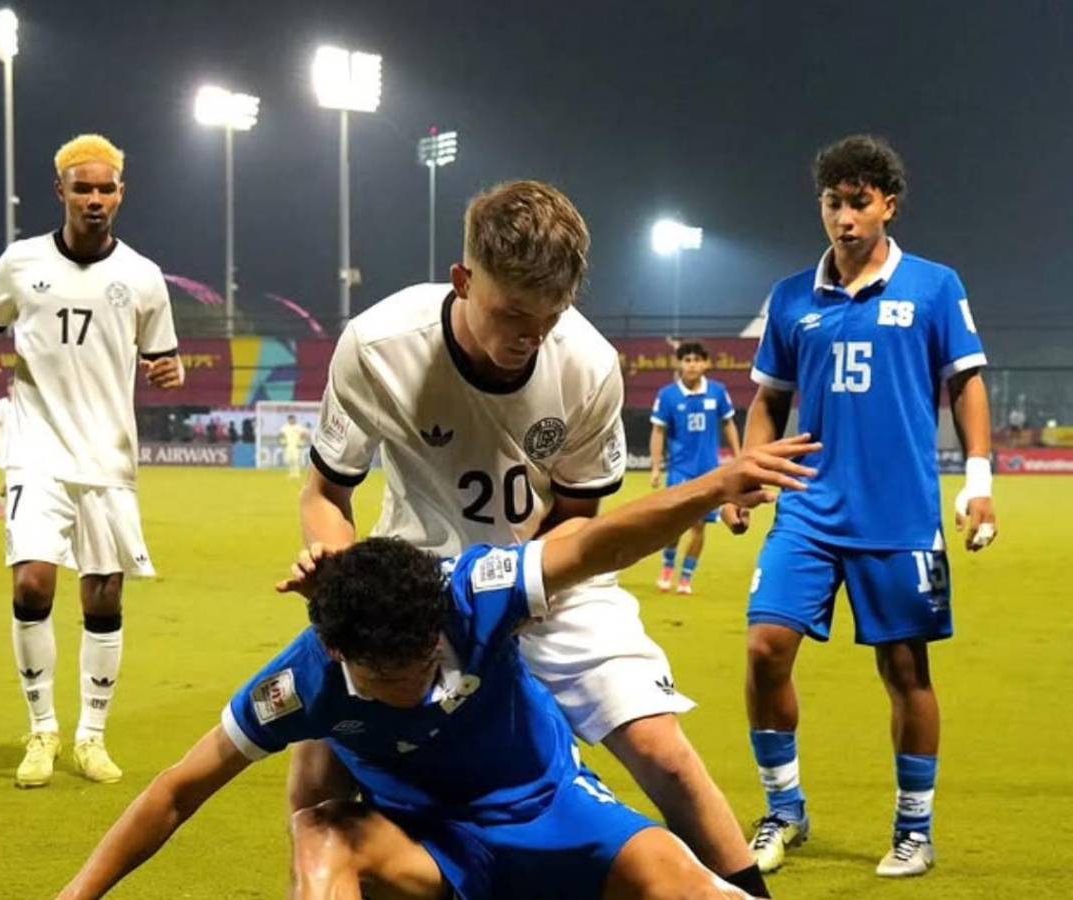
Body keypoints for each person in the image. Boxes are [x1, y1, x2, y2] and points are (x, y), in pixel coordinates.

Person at [58, 435, 820, 900]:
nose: (416, 687)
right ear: (339, 653)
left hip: (556, 816)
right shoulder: (303, 682)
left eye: (423, 664)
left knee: (689, 886)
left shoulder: (474, 593)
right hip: (431, 850)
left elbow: (592, 546)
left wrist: (709, 490)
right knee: (320, 834)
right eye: (390, 681)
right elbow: (176, 792)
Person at [296, 180, 765, 894]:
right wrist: (338, 571)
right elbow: (327, 492)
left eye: (549, 317)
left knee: (664, 754)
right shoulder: (378, 346)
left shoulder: (587, 362)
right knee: (327, 764)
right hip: (421, 594)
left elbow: (580, 517)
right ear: (463, 280)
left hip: (554, 582)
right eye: (512, 312)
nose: (530, 337)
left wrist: (512, 589)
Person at [723, 135, 998, 877]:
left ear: (888, 205)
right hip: (808, 510)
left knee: (905, 671)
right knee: (764, 649)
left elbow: (967, 382)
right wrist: (748, 473)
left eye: (859, 202)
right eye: (832, 202)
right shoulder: (790, 298)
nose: (844, 217)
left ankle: (915, 827)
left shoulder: (935, 287)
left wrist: (978, 481)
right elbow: (768, 401)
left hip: (901, 515)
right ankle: (784, 810)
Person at [0, 133, 184, 789]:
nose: (94, 198)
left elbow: (160, 358)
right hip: (36, 447)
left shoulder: (142, 277)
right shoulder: (21, 263)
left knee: (103, 595)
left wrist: (168, 372)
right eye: (81, 188)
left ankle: (91, 736)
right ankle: (42, 731)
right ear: (60, 192)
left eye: (104, 187)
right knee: (32, 581)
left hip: (107, 457)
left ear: (121, 193)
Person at [649, 342, 741, 594]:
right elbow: (658, 431)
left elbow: (728, 424)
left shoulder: (718, 392)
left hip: (710, 471)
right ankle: (668, 566)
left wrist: (738, 455)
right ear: (680, 364)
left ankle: (686, 577)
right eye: (687, 360)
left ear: (706, 364)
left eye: (697, 360)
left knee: (700, 526)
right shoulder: (667, 395)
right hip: (680, 471)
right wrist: (656, 467)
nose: (692, 364)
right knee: (675, 524)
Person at [0, 380, 15, 517]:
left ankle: (1, 501)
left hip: (21, 446)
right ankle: (1, 501)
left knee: (14, 476)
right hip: (6, 447)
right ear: (8, 388)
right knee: (11, 477)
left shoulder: (23, 405)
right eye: (12, 386)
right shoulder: (1, 404)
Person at [279, 413, 308, 478]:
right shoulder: (285, 427)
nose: (292, 420)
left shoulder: (298, 427)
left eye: (293, 419)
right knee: (289, 460)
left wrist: (301, 442)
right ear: (288, 420)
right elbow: (281, 435)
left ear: (295, 419)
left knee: (296, 460)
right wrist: (283, 442)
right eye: (290, 419)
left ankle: (297, 474)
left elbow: (304, 434)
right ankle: (291, 474)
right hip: (288, 446)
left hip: (296, 446)